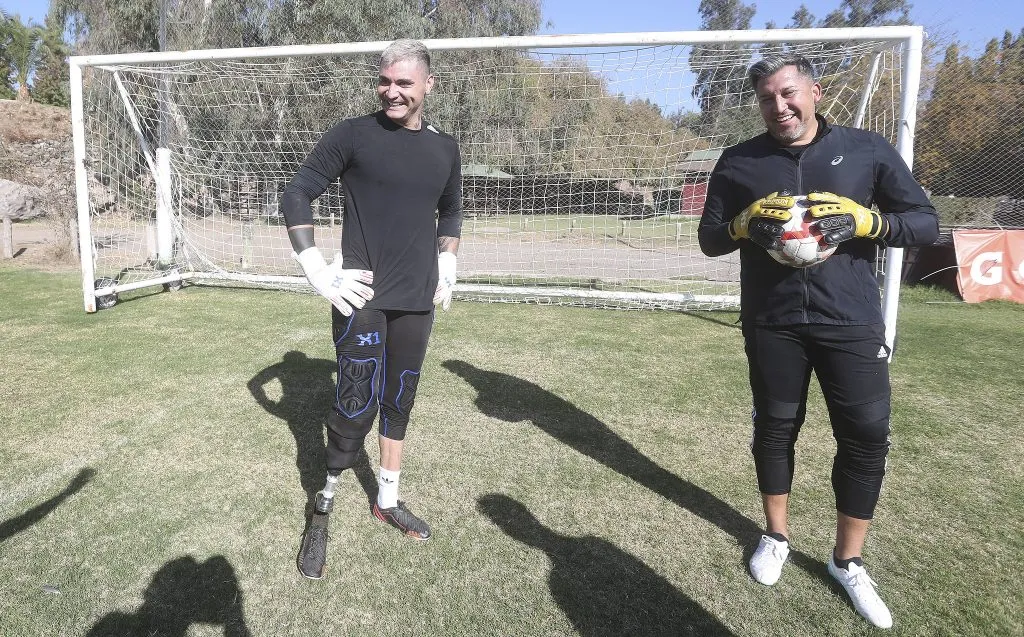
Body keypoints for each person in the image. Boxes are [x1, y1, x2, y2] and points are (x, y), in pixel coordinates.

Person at [697, 53, 938, 629]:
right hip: (772, 322)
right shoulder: (738, 162)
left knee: (866, 435)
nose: (779, 107)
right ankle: (776, 535)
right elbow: (709, 240)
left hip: (849, 321)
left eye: (788, 94)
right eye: (766, 99)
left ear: (815, 92)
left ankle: (847, 561)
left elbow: (925, 223)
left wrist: (865, 220)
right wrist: (742, 222)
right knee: (776, 428)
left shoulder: (866, 151)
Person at [279, 38, 462, 580]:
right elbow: (296, 193)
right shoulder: (353, 135)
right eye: (385, 81)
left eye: (404, 82)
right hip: (361, 296)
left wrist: (447, 265)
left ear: (429, 84)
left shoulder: (446, 149)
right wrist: (316, 267)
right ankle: (325, 500)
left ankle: (387, 498)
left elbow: (451, 211)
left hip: (417, 299)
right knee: (355, 403)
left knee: (399, 399)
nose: (392, 92)